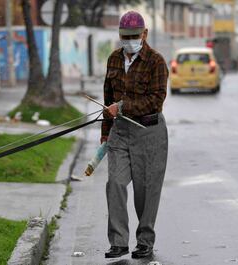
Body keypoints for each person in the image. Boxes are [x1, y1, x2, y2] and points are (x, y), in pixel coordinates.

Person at [101, 11, 169, 259]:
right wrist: (105, 133)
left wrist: (123, 106)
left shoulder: (156, 62)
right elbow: (107, 100)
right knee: (115, 183)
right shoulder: (113, 59)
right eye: (124, 36)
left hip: (149, 131)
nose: (129, 40)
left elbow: (156, 100)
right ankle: (118, 241)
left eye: (134, 36)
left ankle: (145, 241)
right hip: (120, 131)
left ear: (145, 34)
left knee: (146, 192)